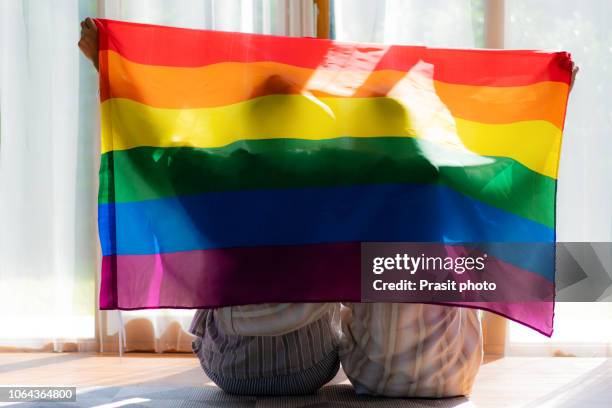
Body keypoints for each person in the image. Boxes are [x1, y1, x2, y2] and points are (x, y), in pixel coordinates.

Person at [79, 17, 578, 398]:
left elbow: (153, 152)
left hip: (248, 372)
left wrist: (109, 66)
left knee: (260, 270)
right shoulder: (421, 176)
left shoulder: (218, 174)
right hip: (425, 377)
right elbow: (508, 182)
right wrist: (553, 95)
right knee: (413, 268)